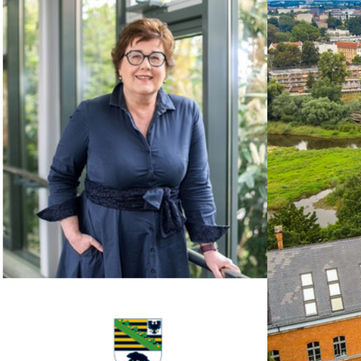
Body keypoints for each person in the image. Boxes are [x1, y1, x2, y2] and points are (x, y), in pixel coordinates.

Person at [37, 18, 239, 278]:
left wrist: (210, 249)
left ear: (165, 69)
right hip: (103, 245)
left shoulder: (188, 113)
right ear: (119, 66)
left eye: (156, 57)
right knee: (115, 320)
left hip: (165, 244)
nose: (145, 65)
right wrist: (74, 235)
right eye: (135, 56)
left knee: (157, 319)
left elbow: (196, 185)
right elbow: (62, 176)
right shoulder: (90, 113)